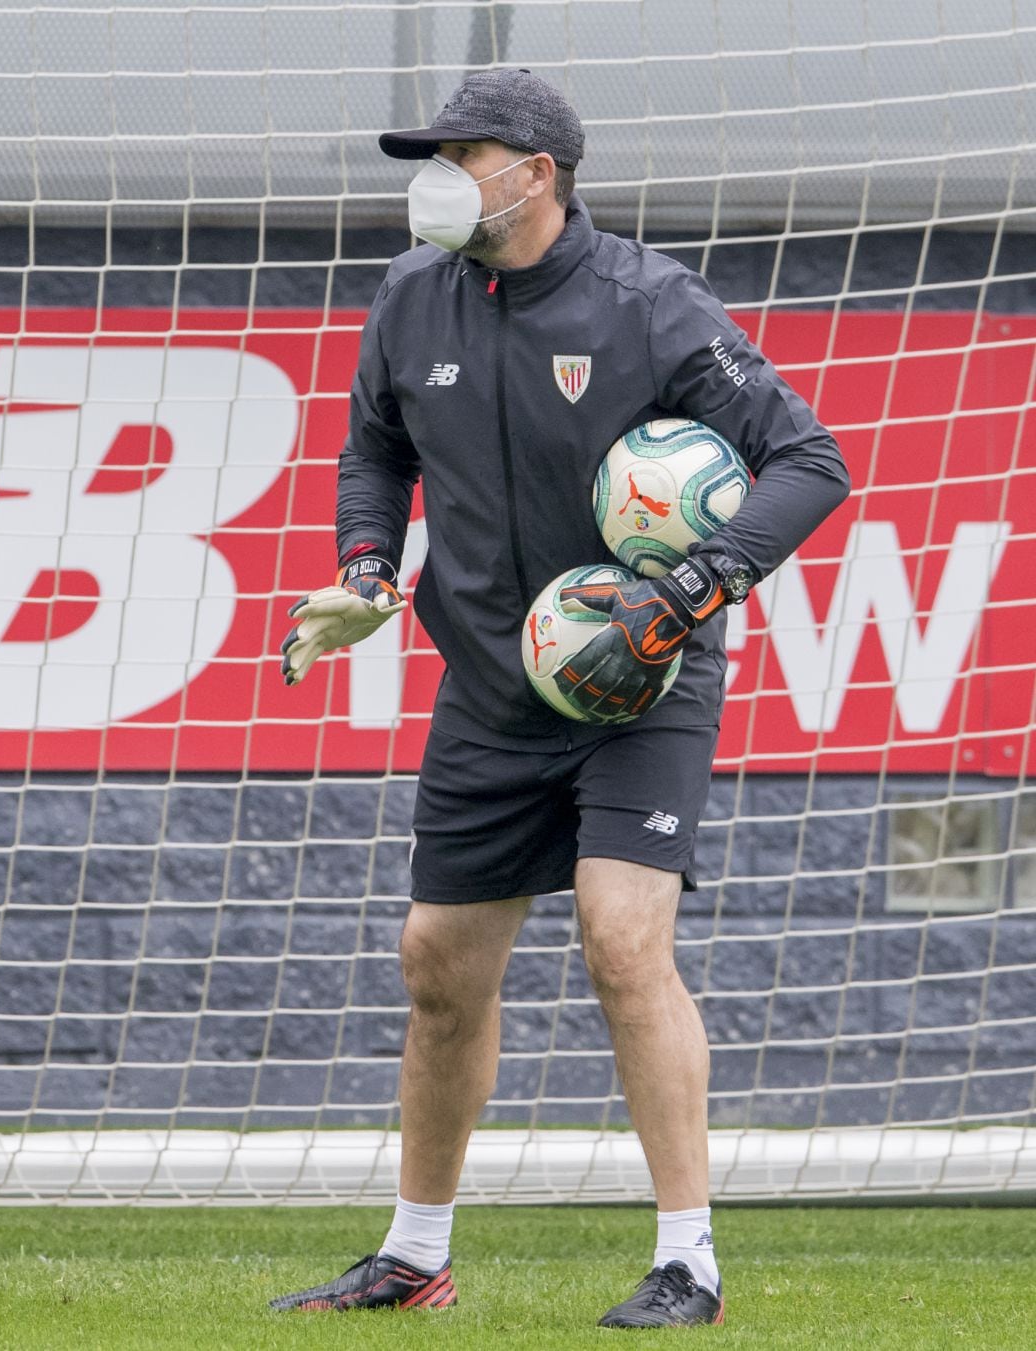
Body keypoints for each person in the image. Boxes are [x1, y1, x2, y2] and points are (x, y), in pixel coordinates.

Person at [271, 68, 849, 1329]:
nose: (433, 177)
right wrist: (369, 568)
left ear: (536, 175)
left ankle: (687, 1261)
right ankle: (415, 1256)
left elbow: (810, 460)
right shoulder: (410, 293)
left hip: (642, 670)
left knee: (623, 940)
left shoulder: (650, 303)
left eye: (459, 153)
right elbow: (376, 444)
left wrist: (695, 584)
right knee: (436, 964)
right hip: (487, 684)